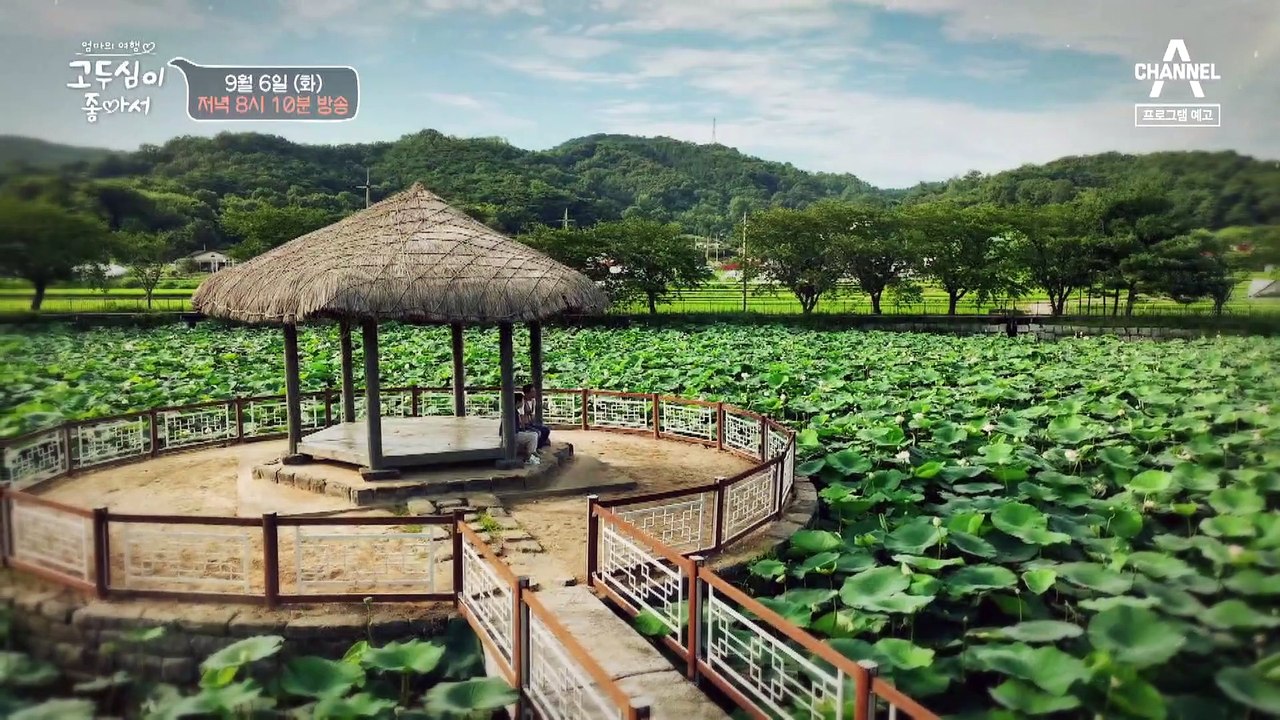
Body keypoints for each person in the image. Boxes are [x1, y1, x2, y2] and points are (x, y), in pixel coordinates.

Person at [512, 391, 541, 465]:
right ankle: (530, 456)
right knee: (533, 436)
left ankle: (532, 453)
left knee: (533, 434)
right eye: (522, 401)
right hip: (513, 435)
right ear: (518, 402)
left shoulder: (513, 410)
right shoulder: (513, 412)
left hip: (515, 433)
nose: (522, 403)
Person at [519, 383, 551, 449]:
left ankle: (539, 446)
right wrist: (523, 427)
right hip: (524, 425)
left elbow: (532, 415)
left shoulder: (533, 401)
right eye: (532, 391)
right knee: (538, 432)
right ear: (527, 393)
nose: (534, 393)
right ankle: (536, 448)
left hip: (530, 423)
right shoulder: (522, 401)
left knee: (546, 429)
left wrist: (535, 425)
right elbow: (521, 415)